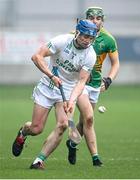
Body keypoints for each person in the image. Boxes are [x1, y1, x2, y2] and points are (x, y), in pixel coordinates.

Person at [12, 19, 98, 169]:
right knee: (36, 129)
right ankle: (23, 132)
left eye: (90, 38)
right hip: (48, 86)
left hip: (67, 89)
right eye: (84, 36)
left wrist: (71, 101)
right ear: (77, 32)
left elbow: (81, 82)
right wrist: (52, 75)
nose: (87, 40)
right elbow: (37, 56)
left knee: (64, 124)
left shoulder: (90, 55)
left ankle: (38, 161)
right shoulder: (62, 41)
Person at [66, 7, 120, 166]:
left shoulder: (108, 39)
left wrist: (108, 80)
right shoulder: (74, 35)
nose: (95, 21)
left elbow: (115, 63)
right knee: (89, 118)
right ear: (86, 19)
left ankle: (72, 143)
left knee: (84, 122)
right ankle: (96, 158)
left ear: (102, 20)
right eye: (91, 18)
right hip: (79, 84)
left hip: (95, 84)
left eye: (98, 18)